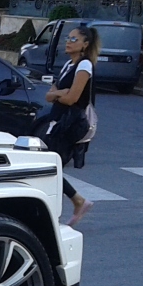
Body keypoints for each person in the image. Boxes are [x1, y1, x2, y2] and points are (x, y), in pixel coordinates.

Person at [38, 24, 99, 226]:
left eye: (74, 39)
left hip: (70, 124)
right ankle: (77, 201)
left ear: (85, 44)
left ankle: (71, 205)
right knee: (47, 168)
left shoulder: (84, 65)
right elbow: (49, 95)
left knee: (48, 169)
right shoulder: (68, 66)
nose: (68, 41)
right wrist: (59, 94)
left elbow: (73, 98)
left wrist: (60, 94)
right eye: (68, 38)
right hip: (57, 123)